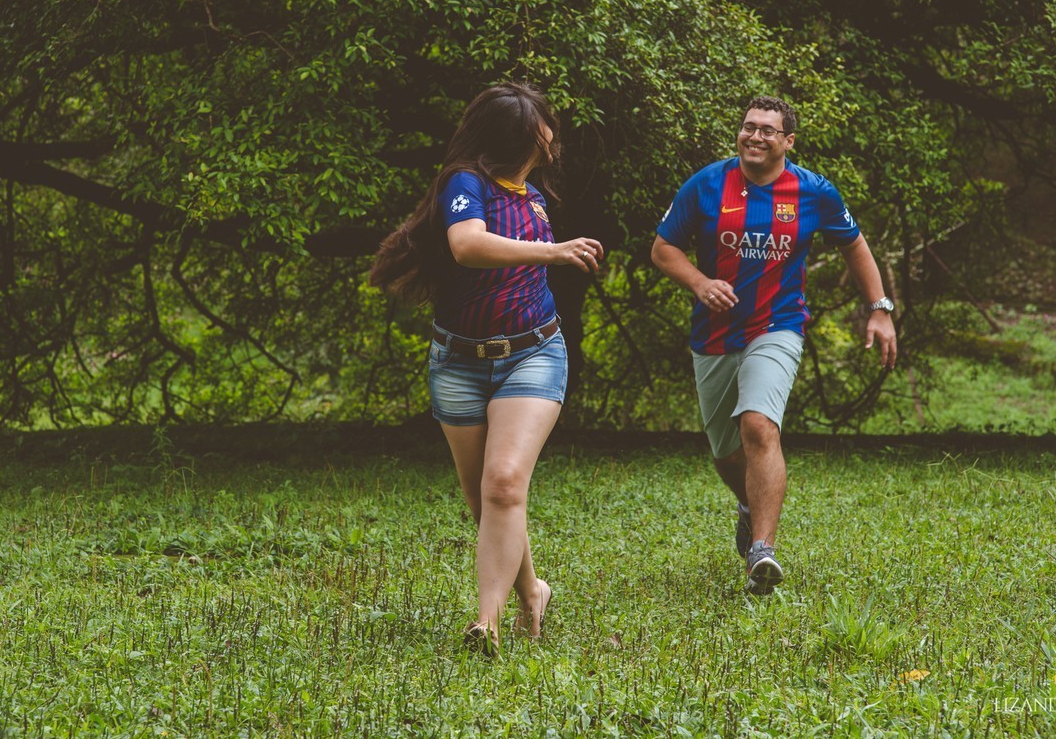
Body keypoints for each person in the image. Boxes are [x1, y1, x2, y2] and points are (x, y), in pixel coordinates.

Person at [369, 83, 603, 654]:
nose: (552, 133)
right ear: (522, 136)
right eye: (543, 124)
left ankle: (487, 625)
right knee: (484, 502)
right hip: (459, 363)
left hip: (534, 353)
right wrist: (554, 252)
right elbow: (467, 245)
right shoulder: (464, 183)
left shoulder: (531, 194)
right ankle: (533, 590)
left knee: (503, 485)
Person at [651, 96, 896, 595]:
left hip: (778, 325)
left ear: (788, 141)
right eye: (748, 127)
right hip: (713, 334)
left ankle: (763, 551)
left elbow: (854, 244)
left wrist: (880, 308)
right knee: (725, 452)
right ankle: (748, 503)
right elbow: (663, 248)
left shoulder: (813, 192)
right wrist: (700, 283)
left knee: (759, 425)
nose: (755, 137)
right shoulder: (707, 184)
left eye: (768, 130)